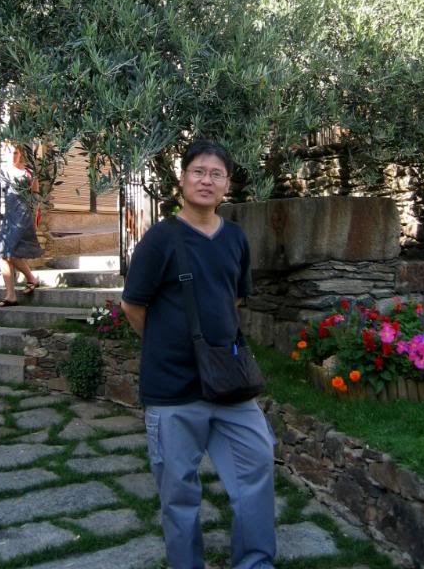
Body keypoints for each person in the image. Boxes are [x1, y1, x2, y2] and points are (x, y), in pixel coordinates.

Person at [121, 140, 276, 569]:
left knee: (257, 467)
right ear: (182, 178)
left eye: (216, 174)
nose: (206, 180)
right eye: (198, 172)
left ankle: (256, 562)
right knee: (178, 492)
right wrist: (168, 348)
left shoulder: (236, 239)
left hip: (230, 384)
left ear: (227, 184)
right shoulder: (160, 239)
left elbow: (234, 301)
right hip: (172, 388)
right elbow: (133, 306)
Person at [0, 145, 43, 307]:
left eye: (16, 152)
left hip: (23, 215)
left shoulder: (28, 172)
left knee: (9, 253)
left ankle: (31, 278)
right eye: (11, 153)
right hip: (9, 217)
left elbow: (36, 194)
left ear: (20, 153)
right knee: (3, 255)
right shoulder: (4, 171)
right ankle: (11, 296)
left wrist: (35, 215)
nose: (13, 155)